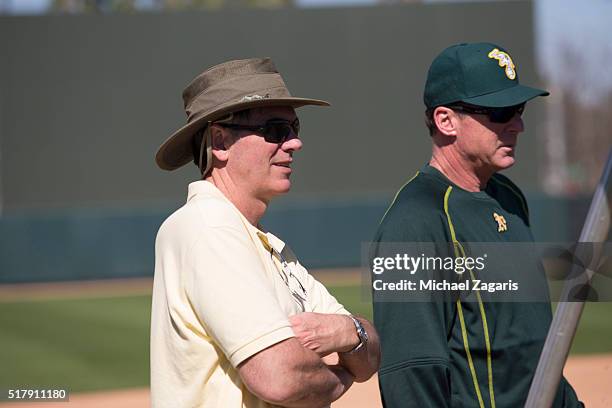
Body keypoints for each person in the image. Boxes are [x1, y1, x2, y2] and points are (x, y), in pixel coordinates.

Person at [150, 57, 380, 408]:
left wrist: (350, 331)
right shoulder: (208, 226)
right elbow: (281, 378)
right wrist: (342, 374)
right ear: (220, 142)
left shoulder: (264, 243)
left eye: (294, 128)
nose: (293, 143)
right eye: (275, 130)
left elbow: (371, 355)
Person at [372, 43, 583, 407]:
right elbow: (411, 372)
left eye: (518, 109)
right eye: (501, 112)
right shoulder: (416, 220)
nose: (518, 125)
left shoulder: (509, 198)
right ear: (445, 120)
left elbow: (533, 347)